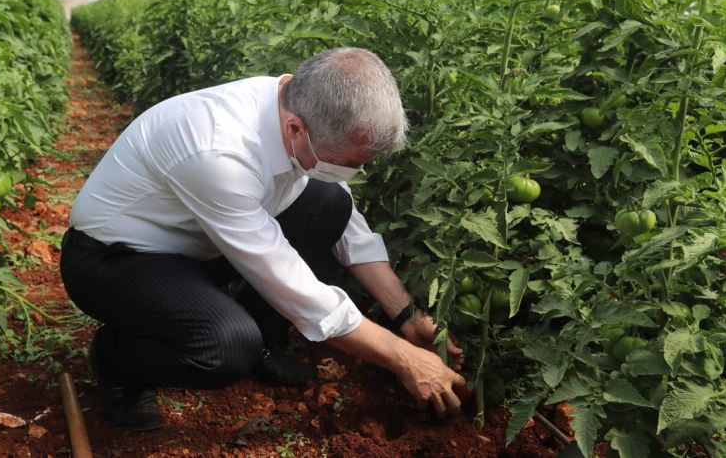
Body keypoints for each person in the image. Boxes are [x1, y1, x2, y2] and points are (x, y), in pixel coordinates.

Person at [59, 47, 465, 431]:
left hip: (202, 243)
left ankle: (267, 345)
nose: (353, 174)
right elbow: (293, 286)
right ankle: (117, 359)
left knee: (328, 202)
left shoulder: (297, 104)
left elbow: (349, 230)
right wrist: (404, 359)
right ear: (295, 129)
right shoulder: (219, 153)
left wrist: (405, 316)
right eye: (347, 164)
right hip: (115, 260)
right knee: (225, 346)